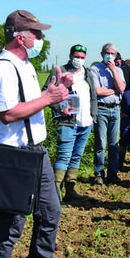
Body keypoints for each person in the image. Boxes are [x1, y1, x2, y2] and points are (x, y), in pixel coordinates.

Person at [0, 10, 79, 258]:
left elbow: (28, 102)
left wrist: (51, 94)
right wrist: (47, 99)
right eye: (36, 34)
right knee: (10, 222)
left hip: (36, 150)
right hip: (11, 154)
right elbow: (9, 113)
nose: (40, 39)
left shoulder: (25, 65)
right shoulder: (3, 68)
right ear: (19, 36)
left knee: (50, 211)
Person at [43, 44, 97, 204]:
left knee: (76, 157)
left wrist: (93, 116)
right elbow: (46, 92)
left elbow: (93, 96)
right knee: (64, 156)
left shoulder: (87, 74)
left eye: (82, 57)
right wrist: (60, 109)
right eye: (77, 56)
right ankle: (55, 193)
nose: (79, 60)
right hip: (67, 123)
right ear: (70, 56)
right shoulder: (60, 71)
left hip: (85, 123)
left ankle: (70, 190)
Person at [89, 43, 126, 185]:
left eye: (113, 53)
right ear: (102, 54)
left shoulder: (119, 70)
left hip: (116, 109)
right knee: (100, 143)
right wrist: (114, 90)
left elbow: (122, 88)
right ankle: (98, 173)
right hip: (101, 109)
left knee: (113, 144)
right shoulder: (95, 69)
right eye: (108, 53)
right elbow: (97, 91)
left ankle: (113, 173)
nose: (110, 56)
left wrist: (114, 71)